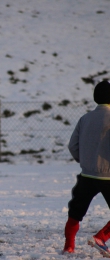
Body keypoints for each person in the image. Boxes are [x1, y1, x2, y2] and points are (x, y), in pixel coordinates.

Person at [63, 80, 110, 257]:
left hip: (87, 174)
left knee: (75, 211)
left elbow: (73, 146)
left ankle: (69, 246)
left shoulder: (85, 118)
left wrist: (85, 160)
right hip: (107, 175)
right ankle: (101, 238)